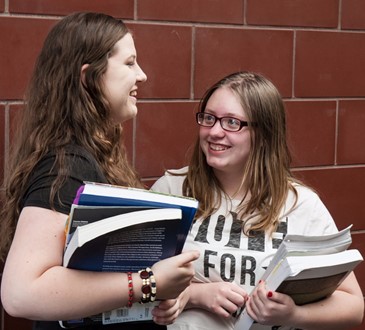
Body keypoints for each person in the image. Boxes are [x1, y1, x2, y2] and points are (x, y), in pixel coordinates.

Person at [0, 12, 199, 330]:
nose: (142, 75)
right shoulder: (66, 166)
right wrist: (148, 284)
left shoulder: (93, 157)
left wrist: (161, 292)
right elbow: (21, 293)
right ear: (88, 77)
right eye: (130, 63)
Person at [151, 71, 364, 330]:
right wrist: (196, 296)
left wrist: (293, 315)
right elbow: (131, 283)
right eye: (209, 118)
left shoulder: (300, 205)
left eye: (231, 122)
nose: (214, 131)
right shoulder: (172, 189)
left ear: (263, 134)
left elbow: (353, 306)